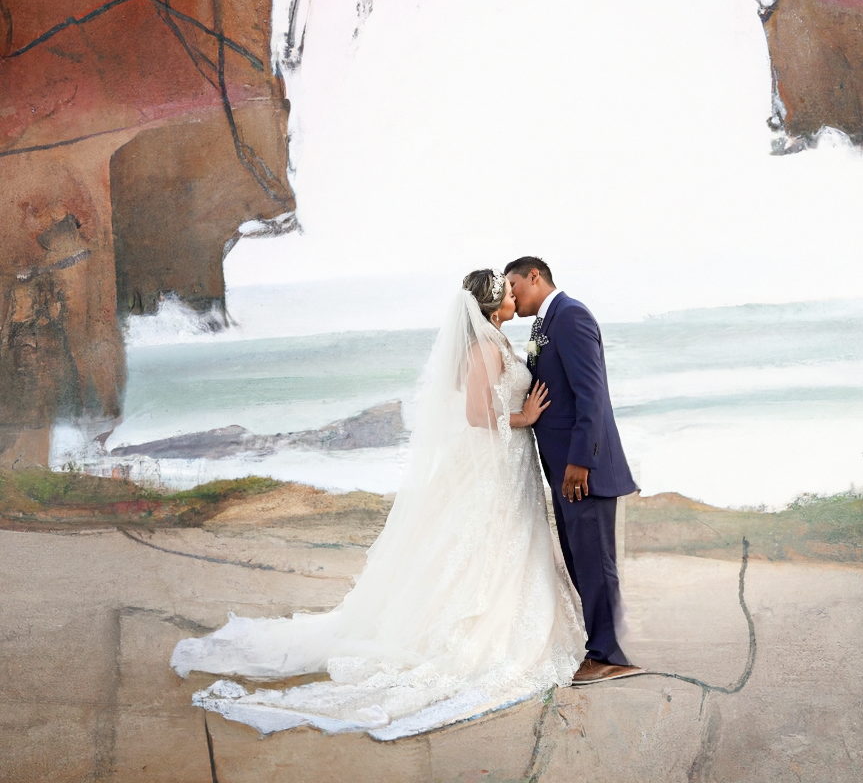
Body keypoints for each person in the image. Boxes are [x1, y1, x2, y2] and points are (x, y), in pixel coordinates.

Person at [170, 270, 586, 739]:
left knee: (500, 542)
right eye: (509, 292)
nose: (515, 296)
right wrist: (523, 417)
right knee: (484, 543)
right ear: (493, 306)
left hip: (506, 465)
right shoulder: (485, 348)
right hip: (496, 462)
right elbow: (475, 414)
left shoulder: (495, 341)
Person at [503, 257, 642, 684]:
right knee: (581, 562)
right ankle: (600, 646)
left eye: (513, 285)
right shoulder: (543, 325)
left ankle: (609, 655)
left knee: (596, 564)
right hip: (563, 471)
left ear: (534, 276)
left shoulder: (571, 315)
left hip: (584, 471)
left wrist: (581, 462)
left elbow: (592, 394)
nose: (510, 296)